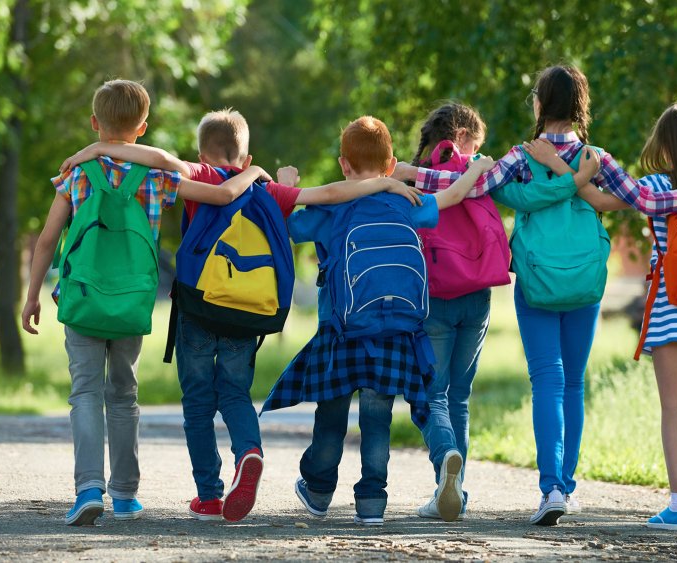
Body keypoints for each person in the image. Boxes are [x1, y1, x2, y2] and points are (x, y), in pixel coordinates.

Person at [395, 65, 677, 526]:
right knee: (574, 383)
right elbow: (645, 200)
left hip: (536, 281)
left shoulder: (519, 157)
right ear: (580, 107)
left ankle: (550, 487)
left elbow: (465, 186)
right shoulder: (597, 157)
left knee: (548, 382)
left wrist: (411, 174)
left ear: (540, 104)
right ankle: (566, 489)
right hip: (586, 283)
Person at [58, 108, 421, 522]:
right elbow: (332, 194)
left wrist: (94, 148)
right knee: (234, 393)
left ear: (201, 153)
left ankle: (209, 496)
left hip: (199, 307)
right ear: (246, 160)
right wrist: (387, 182)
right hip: (247, 312)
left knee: (197, 402)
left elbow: (157, 158)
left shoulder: (202, 177)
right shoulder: (267, 189)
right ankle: (249, 451)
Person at [21, 80, 269, 526]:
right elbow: (223, 196)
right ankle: (126, 495)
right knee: (124, 394)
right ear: (143, 127)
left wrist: (32, 294)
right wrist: (254, 172)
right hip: (132, 305)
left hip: (82, 301)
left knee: (84, 393)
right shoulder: (157, 178)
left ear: (95, 123)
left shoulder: (76, 174)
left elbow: (46, 241)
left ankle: (88, 489)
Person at [260, 116, 493, 526]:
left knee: (330, 417)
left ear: (343, 165)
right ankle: (371, 502)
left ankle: (317, 490)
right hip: (394, 330)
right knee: (376, 418)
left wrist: (288, 184)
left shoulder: (330, 206)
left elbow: (281, 228)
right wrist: (476, 169)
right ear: (391, 164)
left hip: (341, 330)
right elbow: (453, 197)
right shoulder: (404, 200)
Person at [558, 102, 677, 532]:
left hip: (673, 305)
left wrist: (568, 172)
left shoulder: (658, 185)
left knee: (671, 405)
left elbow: (608, 195)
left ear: (668, 143)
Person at [405, 102, 505, 522]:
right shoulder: (478, 170)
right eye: (476, 143)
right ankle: (456, 491)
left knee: (433, 393)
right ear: (463, 135)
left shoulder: (413, 174)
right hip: (478, 288)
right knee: (459, 398)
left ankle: (446, 458)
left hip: (435, 289)